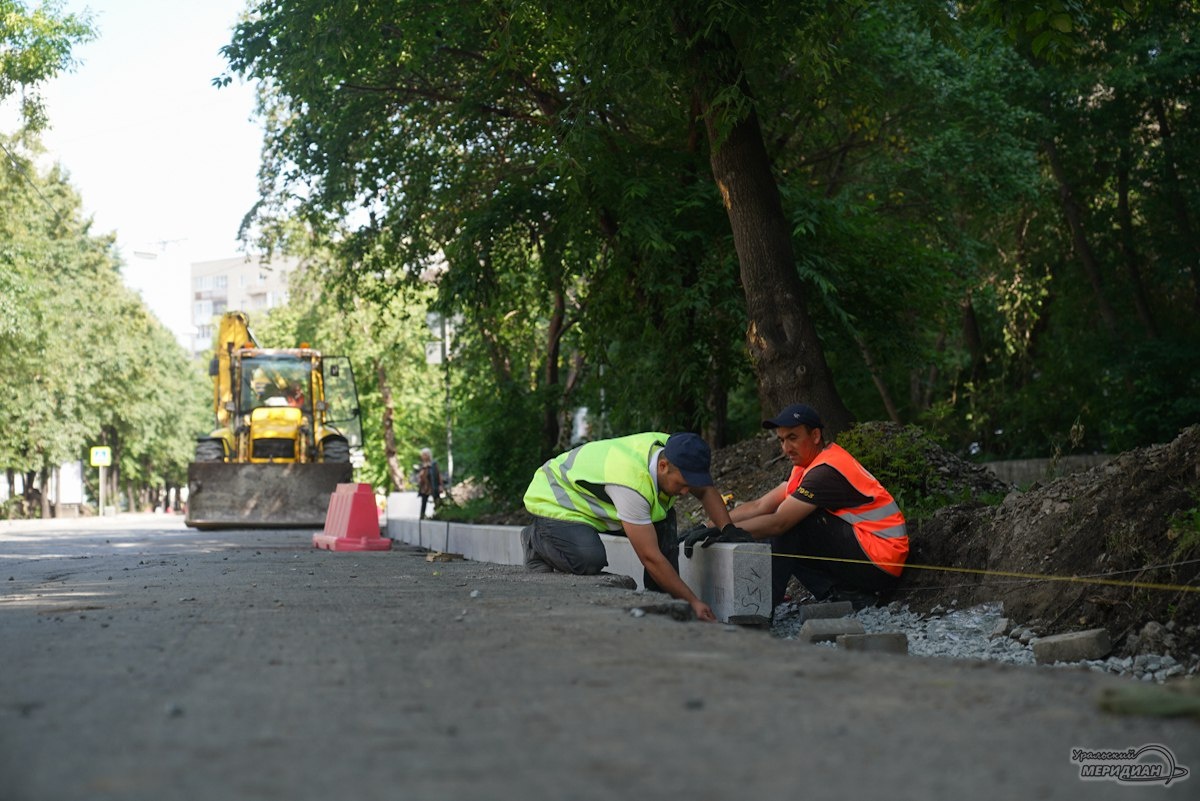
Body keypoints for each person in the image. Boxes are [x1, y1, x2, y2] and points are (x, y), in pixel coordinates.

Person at [686, 403, 907, 611]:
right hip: (869, 553)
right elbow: (760, 505)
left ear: (815, 435)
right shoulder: (808, 466)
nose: (786, 448)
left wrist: (726, 531)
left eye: (792, 438)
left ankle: (762, 609)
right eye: (781, 440)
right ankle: (843, 594)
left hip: (881, 561)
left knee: (792, 523)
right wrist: (710, 524)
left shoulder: (825, 472)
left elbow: (779, 522)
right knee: (787, 515)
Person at [521, 431, 747, 622]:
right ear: (663, 466)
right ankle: (535, 540)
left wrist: (728, 530)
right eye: (683, 484)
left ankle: (660, 598)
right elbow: (650, 557)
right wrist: (693, 602)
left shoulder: (677, 450)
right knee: (589, 560)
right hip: (556, 498)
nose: (687, 492)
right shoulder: (631, 484)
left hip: (594, 502)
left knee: (664, 521)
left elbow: (706, 490)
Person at [417, 448, 442, 519]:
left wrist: (440, 485)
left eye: (425, 455)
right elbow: (419, 476)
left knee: (436, 500)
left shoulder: (434, 464)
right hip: (425, 486)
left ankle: (438, 515)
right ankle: (422, 516)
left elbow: (438, 474)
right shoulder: (421, 465)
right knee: (424, 501)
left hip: (433, 485)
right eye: (423, 455)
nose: (423, 456)